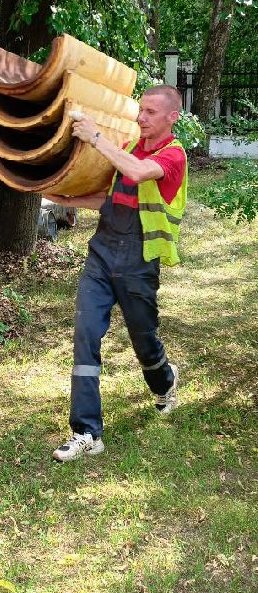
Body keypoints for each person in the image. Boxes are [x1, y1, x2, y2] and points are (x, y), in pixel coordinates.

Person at [47, 85, 187, 462]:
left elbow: (140, 174)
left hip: (139, 262)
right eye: (141, 110)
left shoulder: (172, 156)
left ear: (172, 117)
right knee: (85, 335)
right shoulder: (127, 149)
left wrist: (95, 136)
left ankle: (165, 381)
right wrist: (66, 198)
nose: (141, 118)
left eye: (151, 112)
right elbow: (112, 198)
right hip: (102, 255)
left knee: (144, 339)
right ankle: (86, 431)